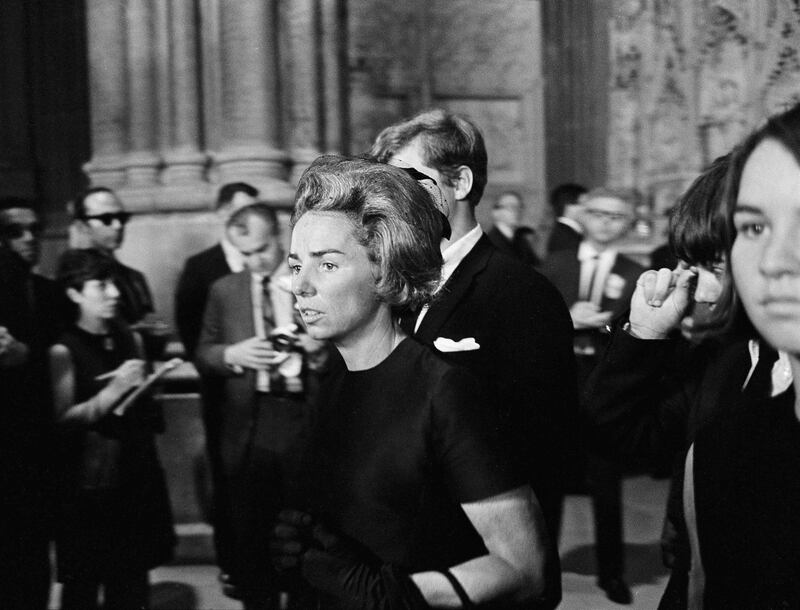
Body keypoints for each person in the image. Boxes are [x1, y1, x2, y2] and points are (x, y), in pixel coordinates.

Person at [271, 154, 548, 609]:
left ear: (384, 269)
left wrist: (396, 594)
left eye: (327, 265)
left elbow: (528, 570)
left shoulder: (445, 391)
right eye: (297, 265)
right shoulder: (334, 380)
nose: (300, 286)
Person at [590, 102, 800, 607]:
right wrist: (643, 334)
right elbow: (628, 440)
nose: (699, 292)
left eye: (711, 265)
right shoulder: (728, 358)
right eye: (753, 230)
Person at [370, 110, 577, 608]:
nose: (388, 202)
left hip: (480, 567)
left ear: (459, 181)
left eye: (405, 182)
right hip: (402, 556)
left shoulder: (521, 293)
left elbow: (543, 447)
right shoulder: (392, 288)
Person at [195, 202, 322, 609]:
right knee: (254, 534)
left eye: (263, 250)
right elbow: (204, 353)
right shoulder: (225, 291)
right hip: (252, 422)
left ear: (280, 238)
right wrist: (234, 354)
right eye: (244, 253)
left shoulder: (314, 280)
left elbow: (350, 344)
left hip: (306, 413)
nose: (255, 261)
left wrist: (319, 349)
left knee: (306, 529)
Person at [48, 248, 175, 610]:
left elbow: (141, 405)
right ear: (74, 294)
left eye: (113, 284)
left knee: (132, 583)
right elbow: (64, 421)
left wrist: (151, 384)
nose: (114, 293)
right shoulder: (63, 349)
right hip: (89, 489)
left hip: (133, 478)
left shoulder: (127, 338)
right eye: (100, 286)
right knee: (84, 588)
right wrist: (113, 391)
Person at [541, 187, 645, 605]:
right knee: (547, 480)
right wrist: (568, 319)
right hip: (558, 384)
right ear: (583, 216)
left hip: (604, 387)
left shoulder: (635, 272)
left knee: (606, 482)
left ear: (628, 223)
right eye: (599, 213)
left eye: (616, 216)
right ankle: (542, 569)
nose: (606, 222)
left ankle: (612, 573)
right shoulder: (555, 264)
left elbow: (639, 335)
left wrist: (605, 326)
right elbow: (531, 321)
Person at [174, 181, 259, 594]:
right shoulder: (202, 268)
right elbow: (195, 339)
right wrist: (230, 356)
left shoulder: (273, 265)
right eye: (238, 212)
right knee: (227, 483)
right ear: (223, 215)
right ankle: (233, 565)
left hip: (267, 397)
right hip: (223, 394)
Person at [0, 198, 64, 610]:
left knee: (33, 556)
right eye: (14, 232)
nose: (28, 239)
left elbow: (60, 349)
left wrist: (27, 354)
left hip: (36, 443)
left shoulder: (48, 292)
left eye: (34, 230)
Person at [72, 187, 154, 325]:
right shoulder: (74, 279)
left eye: (122, 218)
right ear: (82, 227)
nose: (118, 225)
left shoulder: (135, 278)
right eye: (106, 219)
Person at [486, 190, 540, 265]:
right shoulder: (492, 242)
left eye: (519, 207)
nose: (517, 211)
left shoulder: (520, 239)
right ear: (496, 212)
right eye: (511, 207)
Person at [546, 182, 587, 254]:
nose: (588, 209)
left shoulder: (562, 231)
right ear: (569, 206)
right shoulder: (566, 237)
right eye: (584, 204)